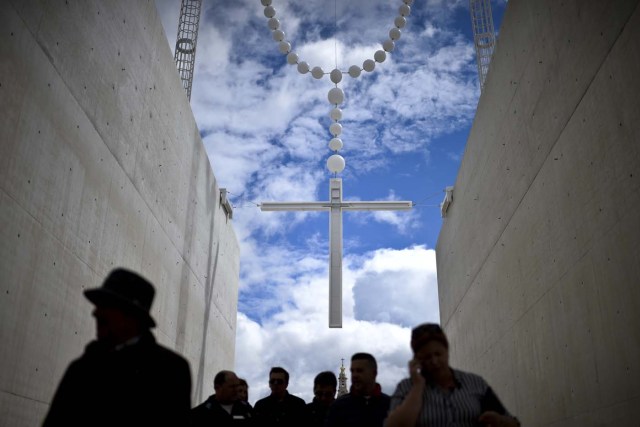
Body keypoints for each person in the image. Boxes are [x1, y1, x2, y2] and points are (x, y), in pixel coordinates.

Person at [42, 268, 192, 426]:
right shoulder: (81, 368)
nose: (96, 312)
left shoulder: (171, 371)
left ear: (132, 316)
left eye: (106, 305)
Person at [385, 323, 520, 427]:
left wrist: (500, 421)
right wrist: (417, 387)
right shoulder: (406, 388)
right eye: (427, 357)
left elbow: (513, 423)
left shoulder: (475, 383)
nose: (434, 361)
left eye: (438, 354)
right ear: (417, 359)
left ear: (447, 350)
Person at [325, 353, 390, 427]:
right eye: (352, 371)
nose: (354, 375)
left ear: (374, 373)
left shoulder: (391, 406)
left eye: (359, 371)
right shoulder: (338, 407)